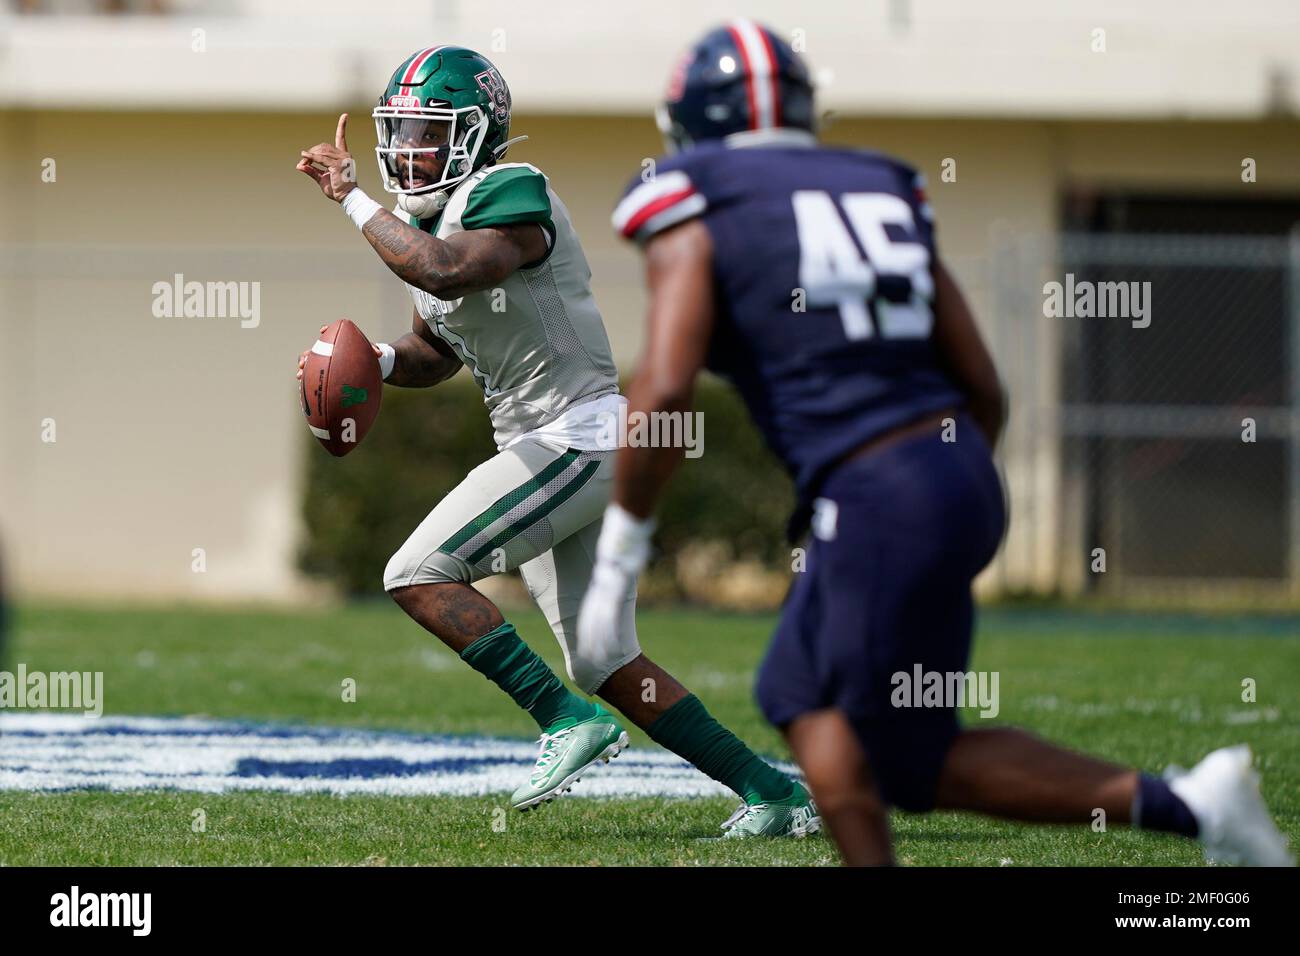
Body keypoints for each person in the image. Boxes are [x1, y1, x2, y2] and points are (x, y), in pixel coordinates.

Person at [579, 19, 1294, 866]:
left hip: (879, 489)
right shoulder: (877, 184)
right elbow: (982, 384)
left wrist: (616, 569)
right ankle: (1188, 805)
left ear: (690, 124)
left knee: (901, 757)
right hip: (947, 471)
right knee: (803, 702)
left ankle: (1192, 805)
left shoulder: (698, 193)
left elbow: (663, 387)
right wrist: (933, 489)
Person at [295, 45, 816, 835]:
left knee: (417, 573)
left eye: (427, 132)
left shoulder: (509, 190)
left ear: (475, 135)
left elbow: (447, 273)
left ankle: (563, 721)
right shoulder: (412, 220)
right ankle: (773, 795)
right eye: (398, 131)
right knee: (605, 660)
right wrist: (379, 359)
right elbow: (440, 344)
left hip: (579, 435)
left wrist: (351, 199)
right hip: (548, 443)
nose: (406, 149)